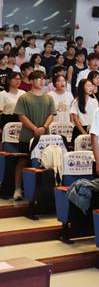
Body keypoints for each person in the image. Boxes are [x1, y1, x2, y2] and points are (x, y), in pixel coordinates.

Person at [12, 71, 54, 199]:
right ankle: (18, 189)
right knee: (22, 161)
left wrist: (44, 127)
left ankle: (41, 193)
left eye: (43, 79)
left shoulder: (48, 97)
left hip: (44, 137)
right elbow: (21, 116)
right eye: (38, 79)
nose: (42, 81)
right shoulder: (24, 97)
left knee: (44, 163)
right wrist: (34, 128)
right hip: (27, 136)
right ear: (31, 81)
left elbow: (51, 115)